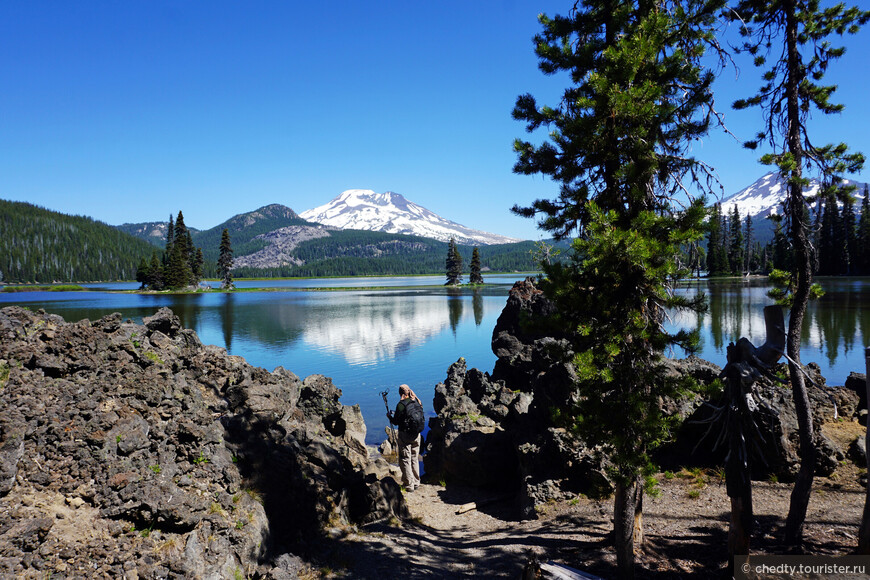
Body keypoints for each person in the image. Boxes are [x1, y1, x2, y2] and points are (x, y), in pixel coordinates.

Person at [387, 384, 422, 491]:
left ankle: (409, 484)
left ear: (400, 393)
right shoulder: (416, 401)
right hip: (416, 434)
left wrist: (390, 417)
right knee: (414, 458)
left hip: (405, 435)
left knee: (405, 459)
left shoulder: (400, 405)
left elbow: (396, 421)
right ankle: (416, 482)